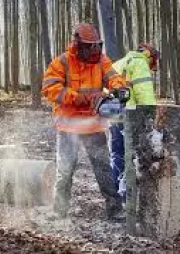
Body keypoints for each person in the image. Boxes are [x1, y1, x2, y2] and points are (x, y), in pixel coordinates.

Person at [42, 23, 127, 221]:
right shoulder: (62, 62)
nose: (94, 50)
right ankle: (59, 210)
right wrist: (76, 97)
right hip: (68, 126)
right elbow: (49, 88)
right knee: (65, 170)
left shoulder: (101, 61)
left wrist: (115, 91)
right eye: (90, 46)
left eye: (96, 45)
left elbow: (115, 78)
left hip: (93, 126)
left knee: (103, 168)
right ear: (78, 45)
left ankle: (115, 210)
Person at [109, 43, 160, 199]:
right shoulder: (140, 63)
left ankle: (116, 192)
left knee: (116, 153)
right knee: (131, 155)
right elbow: (145, 95)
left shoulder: (118, 63)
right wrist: (150, 117)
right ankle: (128, 195)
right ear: (149, 56)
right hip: (130, 116)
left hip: (113, 114)